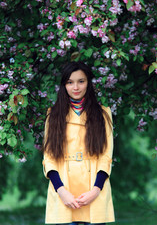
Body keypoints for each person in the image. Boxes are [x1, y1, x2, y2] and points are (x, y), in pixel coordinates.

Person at [42, 61, 115, 224]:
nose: (76, 87)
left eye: (81, 81)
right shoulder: (53, 115)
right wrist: (62, 191)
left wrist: (95, 190)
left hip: (94, 191)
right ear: (64, 85)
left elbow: (106, 156)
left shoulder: (103, 114)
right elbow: (49, 158)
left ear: (88, 83)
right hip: (63, 192)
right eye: (70, 82)